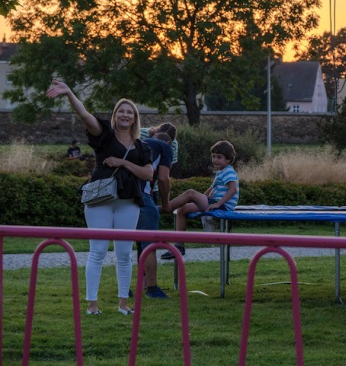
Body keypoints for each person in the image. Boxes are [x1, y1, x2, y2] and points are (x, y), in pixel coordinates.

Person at [46, 81, 153, 316]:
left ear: (135, 118)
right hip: (99, 200)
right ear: (115, 115)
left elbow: (148, 174)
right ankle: (92, 304)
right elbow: (84, 115)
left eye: (130, 112)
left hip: (128, 202)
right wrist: (70, 93)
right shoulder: (104, 133)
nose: (125, 115)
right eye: (121, 111)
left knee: (124, 254)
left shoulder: (142, 146)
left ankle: (123, 304)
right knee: (98, 251)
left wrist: (124, 162)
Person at [161, 141, 239, 259]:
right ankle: (179, 246)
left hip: (223, 206)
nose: (215, 160)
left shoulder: (228, 170)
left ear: (228, 159)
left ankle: (164, 208)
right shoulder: (220, 173)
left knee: (190, 193)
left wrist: (218, 204)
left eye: (219, 157)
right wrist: (200, 200)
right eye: (213, 157)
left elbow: (233, 190)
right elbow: (209, 191)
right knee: (181, 210)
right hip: (214, 202)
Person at [134, 132, 173, 299]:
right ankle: (152, 289)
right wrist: (165, 204)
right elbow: (163, 178)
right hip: (143, 195)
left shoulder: (137, 143)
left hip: (123, 197)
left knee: (130, 244)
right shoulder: (166, 147)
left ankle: (127, 288)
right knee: (149, 245)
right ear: (168, 142)